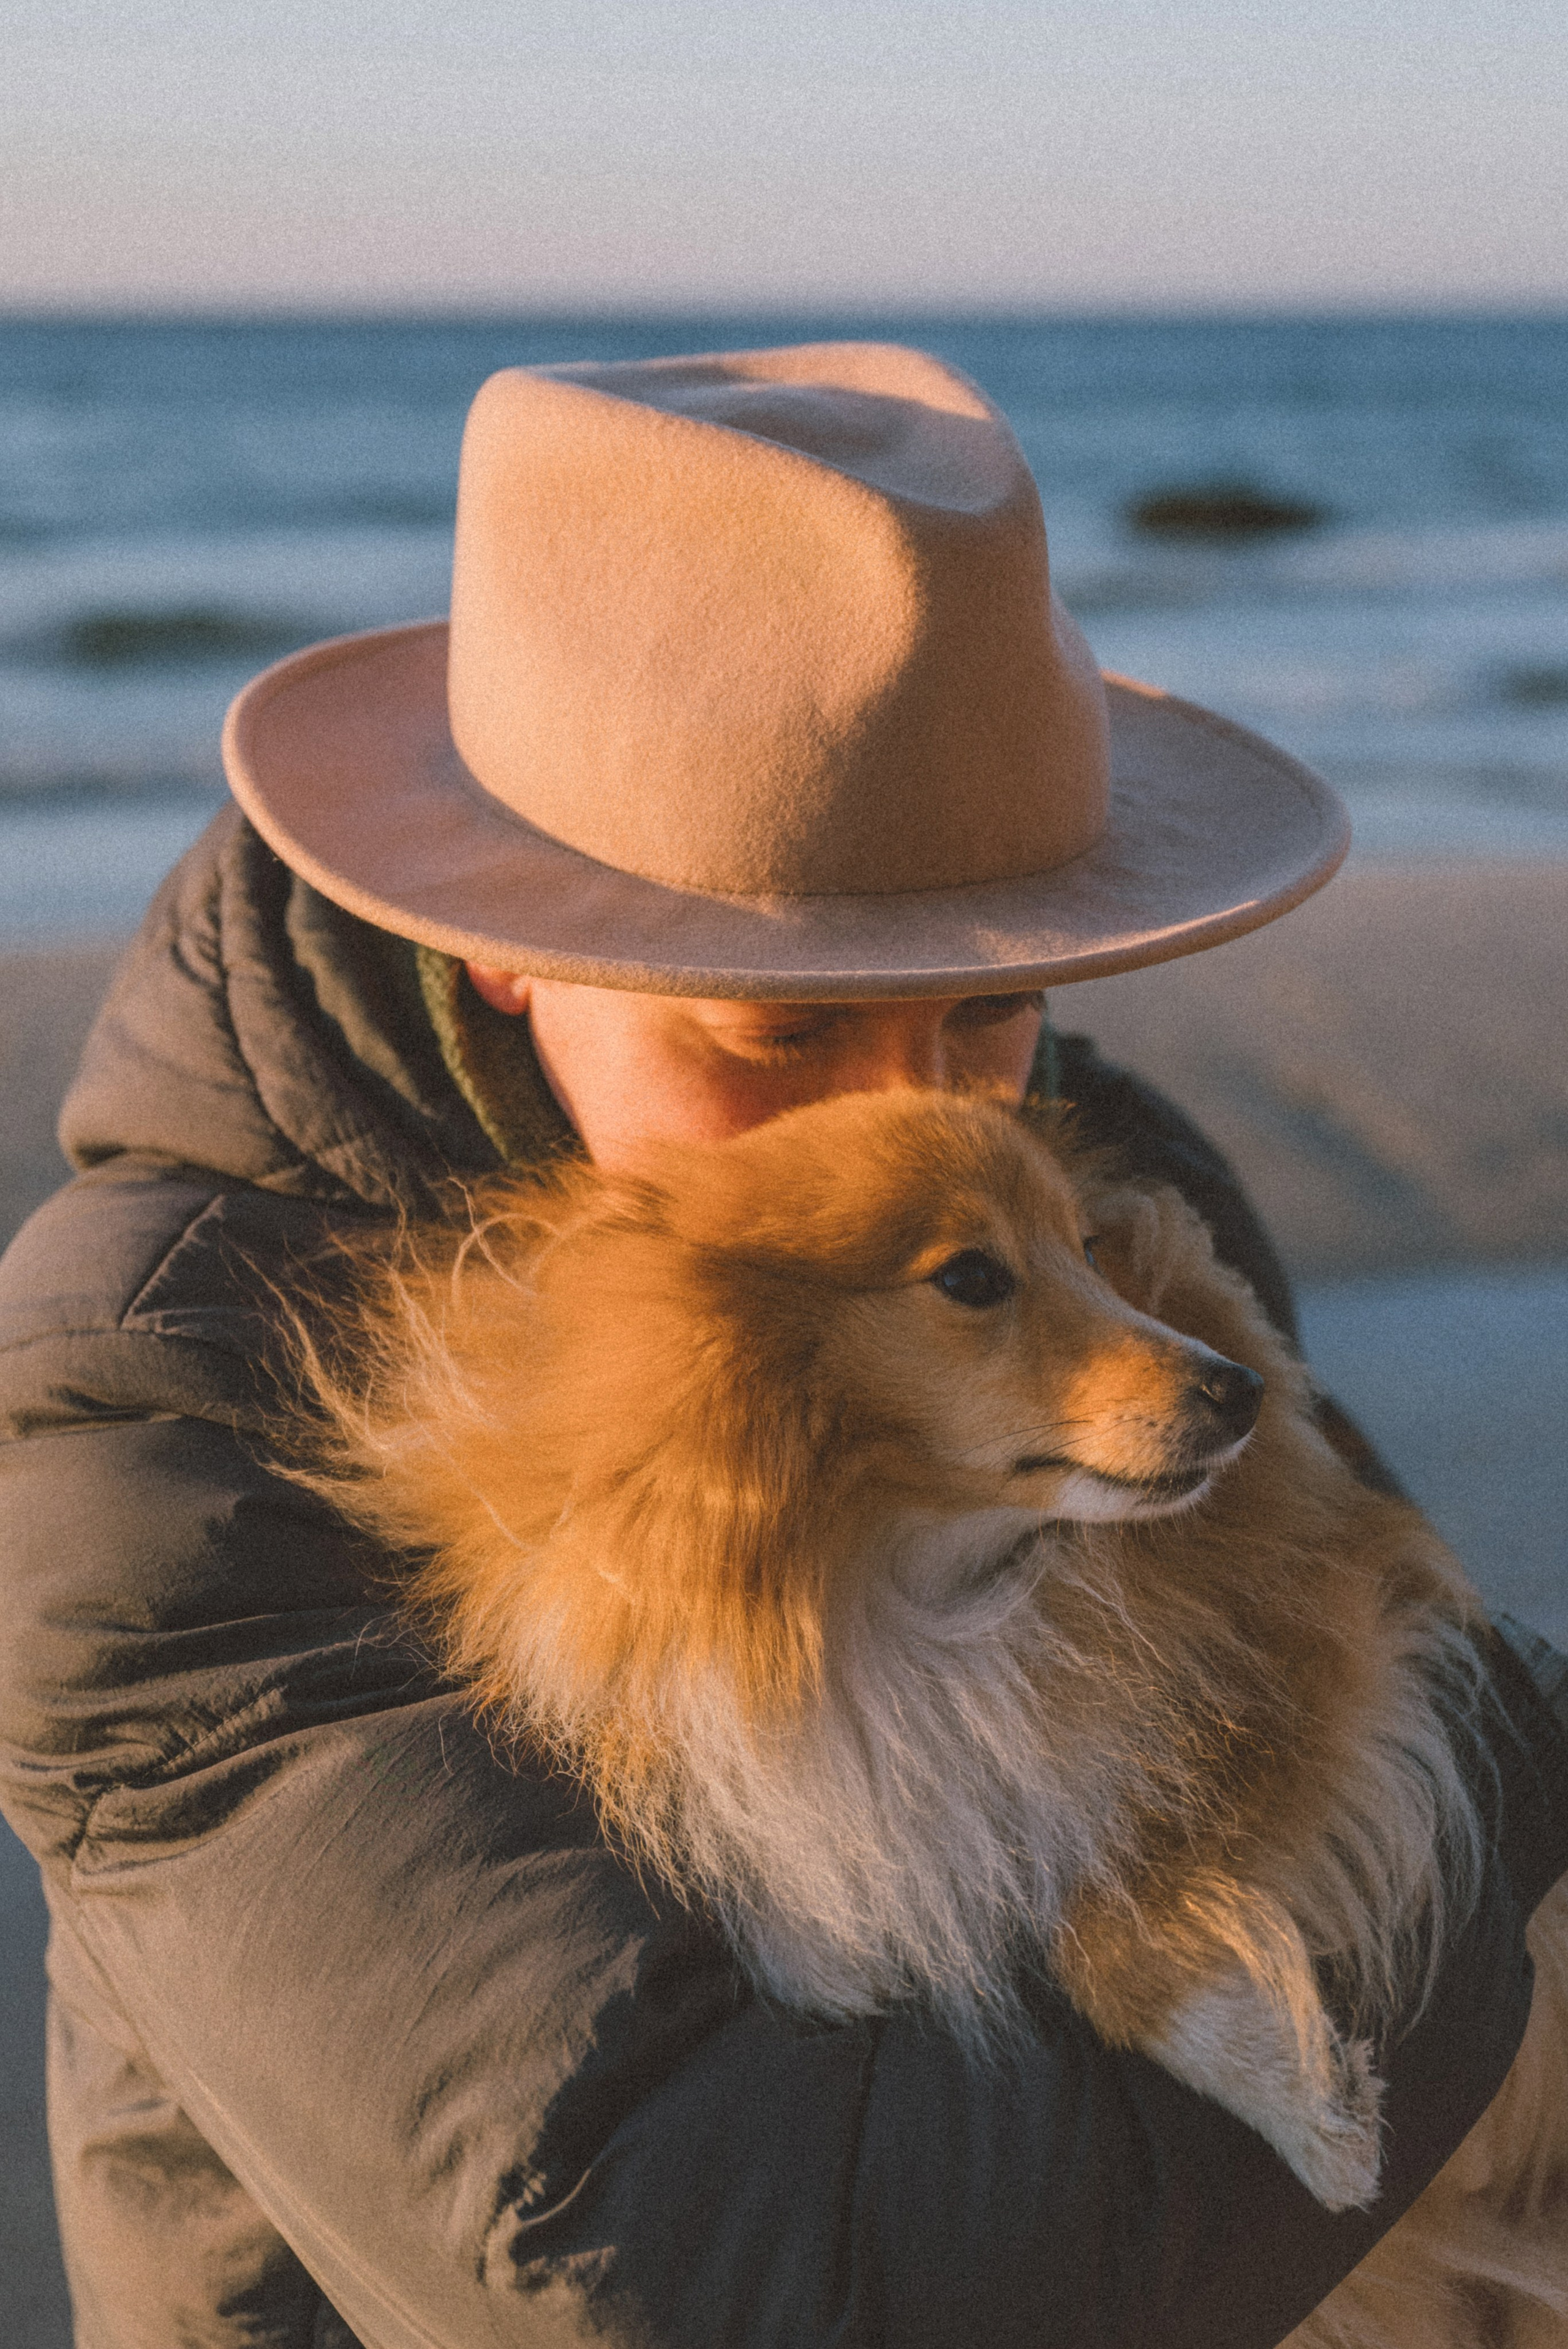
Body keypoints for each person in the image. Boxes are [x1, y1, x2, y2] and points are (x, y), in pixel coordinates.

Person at [0, 342, 1563, 2349]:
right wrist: (1439, 1849)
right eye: (783, 1025)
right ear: (504, 936)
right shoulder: (144, 1416)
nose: (914, 1109)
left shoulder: (1081, 1174)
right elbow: (718, 2284)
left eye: (986, 999)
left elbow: (1395, 1647)